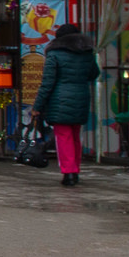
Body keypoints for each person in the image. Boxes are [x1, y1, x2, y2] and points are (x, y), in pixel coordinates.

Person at [33, 22, 102, 187]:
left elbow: (47, 82)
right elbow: (94, 73)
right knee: (75, 135)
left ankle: (68, 172)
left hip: (60, 100)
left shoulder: (54, 54)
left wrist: (38, 106)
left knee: (63, 137)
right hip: (81, 97)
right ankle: (75, 170)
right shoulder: (87, 53)